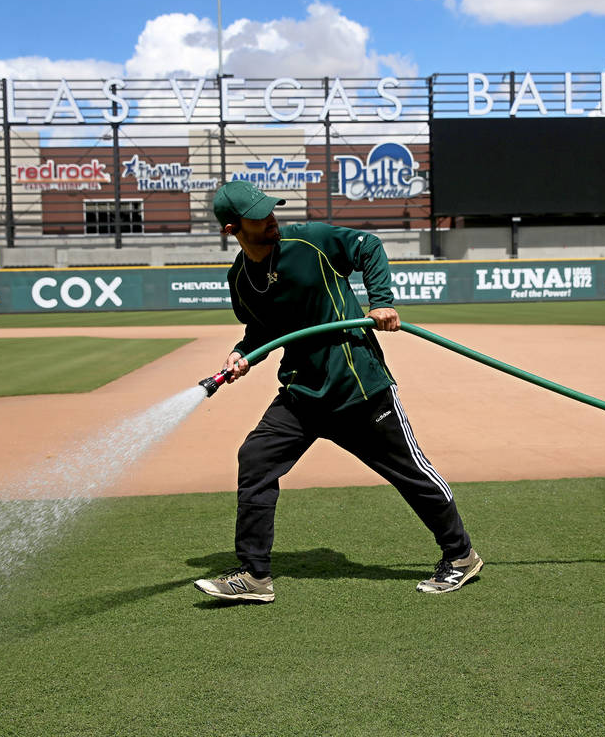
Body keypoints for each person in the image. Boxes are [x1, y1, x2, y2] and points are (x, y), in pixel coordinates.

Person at [194, 180, 481, 604]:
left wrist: (380, 301)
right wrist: (242, 353)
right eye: (259, 216)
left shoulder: (309, 240)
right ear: (232, 229)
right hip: (302, 393)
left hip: (357, 386)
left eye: (271, 210)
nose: (272, 219)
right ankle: (255, 575)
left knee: (410, 473)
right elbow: (261, 329)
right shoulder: (240, 279)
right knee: (255, 458)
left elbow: (369, 246)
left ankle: (461, 556)